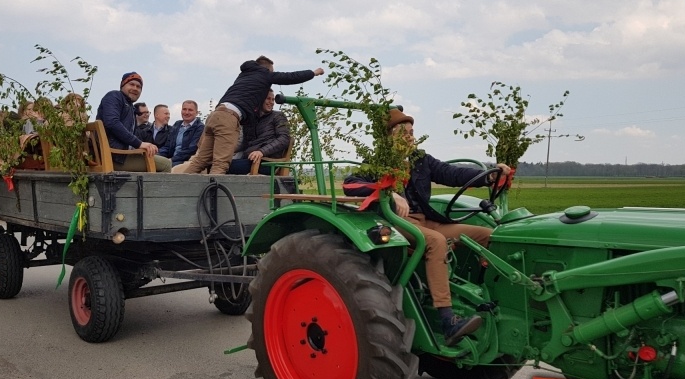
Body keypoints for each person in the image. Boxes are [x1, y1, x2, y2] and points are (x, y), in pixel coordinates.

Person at [343, 109, 511, 346]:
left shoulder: (420, 160)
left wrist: (488, 176)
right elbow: (350, 185)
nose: (410, 138)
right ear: (389, 138)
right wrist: (388, 191)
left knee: (487, 235)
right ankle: (447, 319)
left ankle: (490, 301)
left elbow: (451, 173)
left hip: (426, 221)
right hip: (398, 223)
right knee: (435, 241)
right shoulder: (378, 163)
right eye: (404, 134)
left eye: (412, 133)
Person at [184, 55, 323, 174]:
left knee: (200, 161)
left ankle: (176, 188)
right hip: (229, 117)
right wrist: (313, 73)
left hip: (215, 114)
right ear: (267, 69)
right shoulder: (265, 74)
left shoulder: (244, 74)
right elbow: (291, 77)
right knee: (220, 165)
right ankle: (212, 201)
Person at [95, 72, 171, 172]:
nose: (135, 88)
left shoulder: (130, 106)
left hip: (119, 155)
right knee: (166, 164)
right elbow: (112, 122)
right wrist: (139, 144)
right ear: (122, 85)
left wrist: (144, 146)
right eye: (131, 84)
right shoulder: (114, 96)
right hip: (114, 157)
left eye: (138, 86)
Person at [229, 89, 290, 175]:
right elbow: (244, 143)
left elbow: (284, 139)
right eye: (268, 99)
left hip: (267, 162)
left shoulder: (278, 116)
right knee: (218, 163)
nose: (271, 102)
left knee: (226, 166)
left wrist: (262, 151)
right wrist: (226, 151)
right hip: (250, 160)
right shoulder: (250, 120)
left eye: (273, 99)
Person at [160, 100, 204, 166]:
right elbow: (168, 146)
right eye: (184, 109)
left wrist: (171, 160)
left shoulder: (200, 128)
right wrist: (157, 155)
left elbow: (191, 150)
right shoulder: (177, 125)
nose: (186, 112)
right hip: (171, 159)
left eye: (190, 110)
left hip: (187, 162)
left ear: (197, 113)